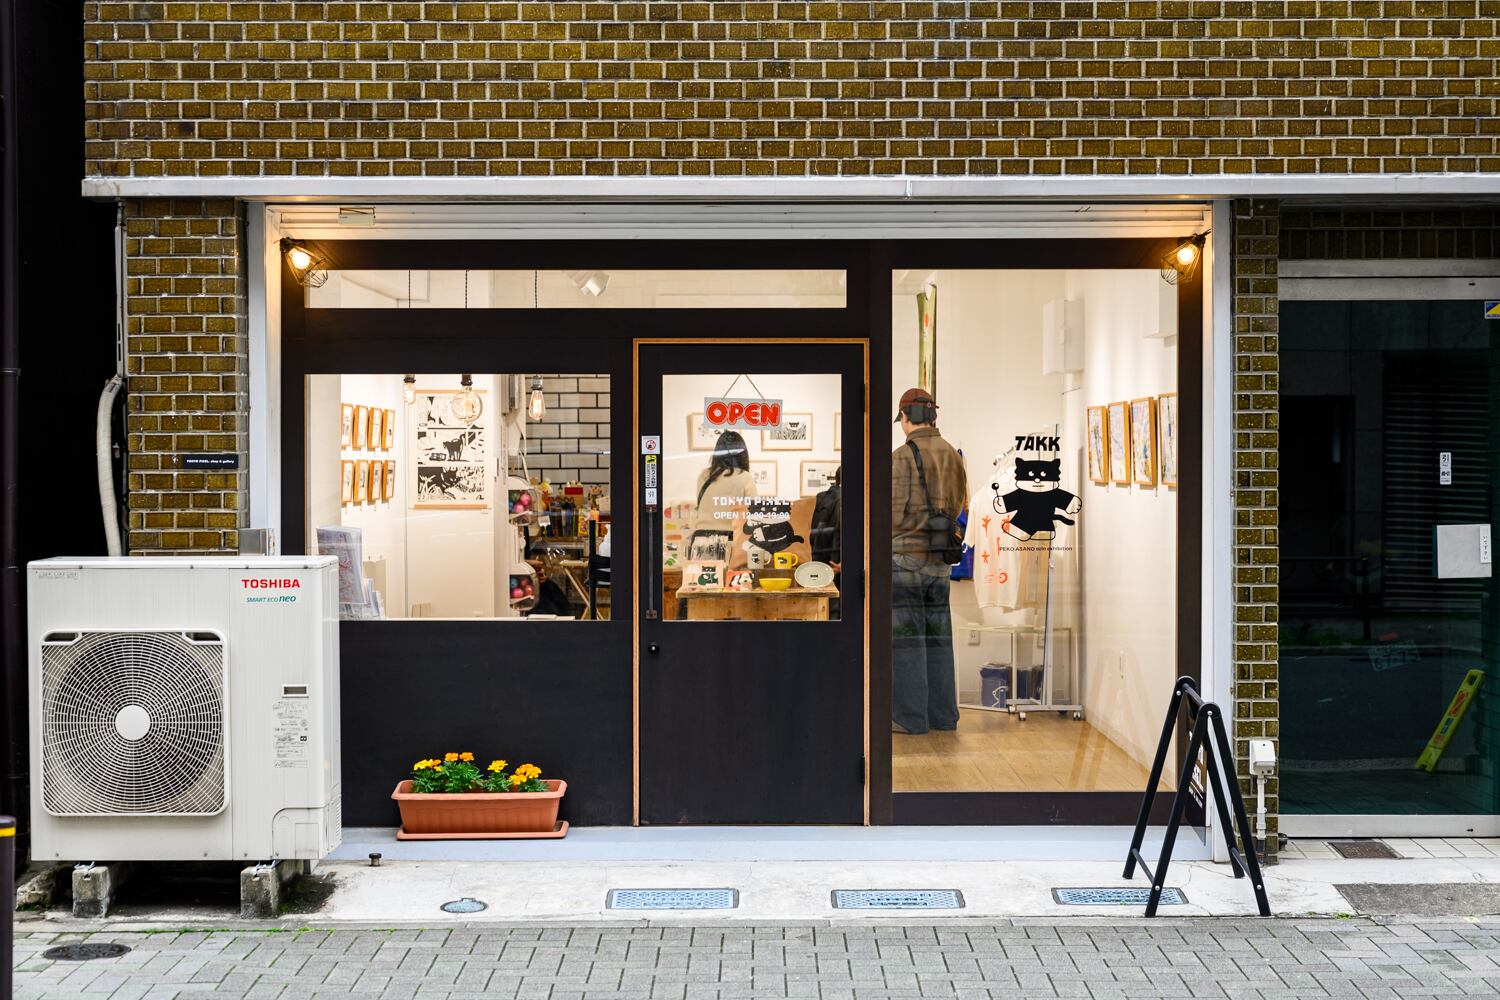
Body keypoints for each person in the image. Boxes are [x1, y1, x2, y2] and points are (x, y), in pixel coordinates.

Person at [891, 387, 968, 735]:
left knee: (907, 640)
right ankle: (943, 716)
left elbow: (893, 514)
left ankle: (910, 718)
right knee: (939, 640)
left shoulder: (901, 457)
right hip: (941, 559)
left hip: (905, 557)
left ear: (905, 417)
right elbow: (959, 503)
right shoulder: (953, 454)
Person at [689, 430, 755, 562]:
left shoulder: (704, 476)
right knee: (730, 576)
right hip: (731, 540)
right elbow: (753, 513)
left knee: (701, 575)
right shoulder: (745, 477)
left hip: (701, 540)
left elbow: (701, 506)